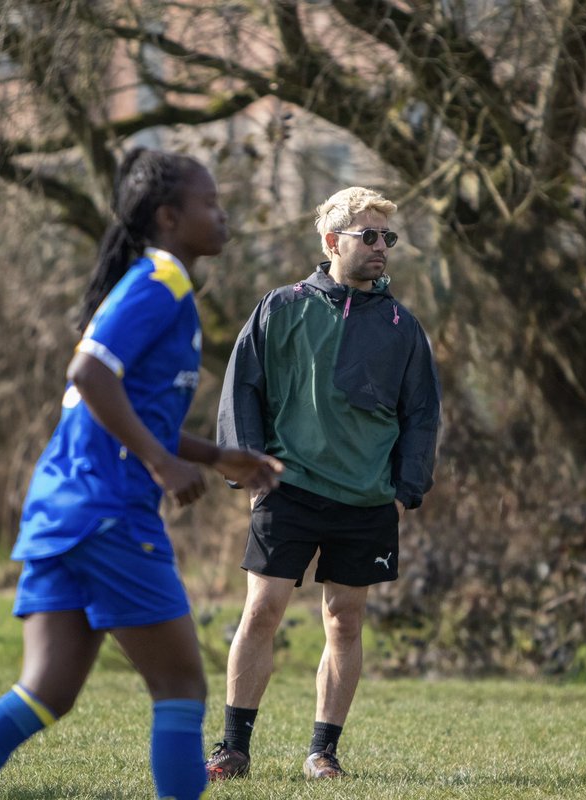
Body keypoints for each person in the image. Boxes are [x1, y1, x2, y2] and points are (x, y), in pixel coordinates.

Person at [0, 148, 282, 800]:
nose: (223, 215)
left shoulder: (156, 286)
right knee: (181, 686)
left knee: (47, 690)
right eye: (210, 203)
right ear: (168, 217)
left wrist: (210, 455)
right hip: (109, 511)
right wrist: (162, 464)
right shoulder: (160, 284)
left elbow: (116, 404)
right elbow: (88, 375)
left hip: (62, 509)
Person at [207, 186, 441, 780]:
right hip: (287, 488)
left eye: (388, 237)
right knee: (262, 610)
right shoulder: (280, 307)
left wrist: (404, 491)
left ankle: (323, 752)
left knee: (344, 619)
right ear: (333, 241)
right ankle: (232, 748)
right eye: (370, 236)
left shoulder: (402, 326)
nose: (382, 247)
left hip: (366, 499)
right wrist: (249, 469)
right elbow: (242, 389)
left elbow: (421, 415)